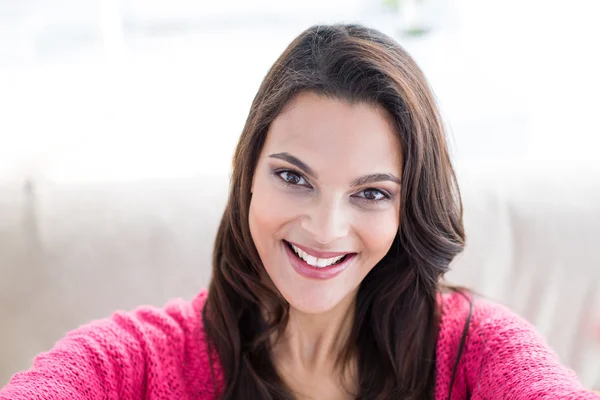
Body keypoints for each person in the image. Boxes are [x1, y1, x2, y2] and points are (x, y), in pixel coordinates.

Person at [1, 23, 597, 400]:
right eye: (294, 177)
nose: (325, 228)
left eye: (371, 193)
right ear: (249, 178)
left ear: (407, 207)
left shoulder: (477, 351)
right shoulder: (137, 359)